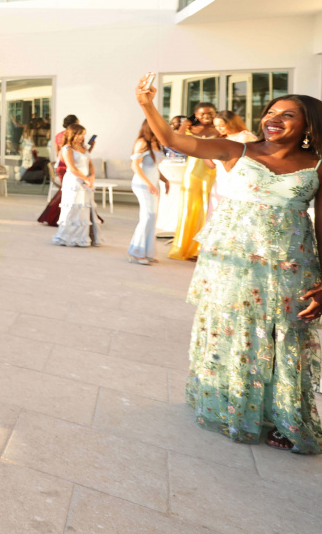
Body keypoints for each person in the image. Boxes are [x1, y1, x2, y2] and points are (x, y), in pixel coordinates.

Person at [136, 74, 322, 453]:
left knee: (283, 336)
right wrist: (146, 104)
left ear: (308, 125)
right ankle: (231, 404)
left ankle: (283, 416)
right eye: (270, 112)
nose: (274, 119)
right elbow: (174, 140)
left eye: (287, 115)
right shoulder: (237, 150)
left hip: (291, 266)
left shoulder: (316, 166)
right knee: (233, 330)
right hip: (232, 266)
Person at [168, 102, 220, 260]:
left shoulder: (219, 129)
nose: (207, 116)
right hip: (193, 172)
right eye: (203, 113)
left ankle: (202, 250)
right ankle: (185, 248)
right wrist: (184, 124)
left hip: (212, 171)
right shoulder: (190, 129)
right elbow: (176, 141)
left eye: (210, 113)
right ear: (196, 115)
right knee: (189, 209)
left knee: (209, 208)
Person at [128, 120, 171, 264]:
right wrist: (148, 183)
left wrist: (165, 180)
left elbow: (154, 167)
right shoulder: (142, 142)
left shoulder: (157, 143)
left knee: (153, 217)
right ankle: (137, 251)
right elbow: (135, 166)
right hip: (143, 184)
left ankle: (147, 252)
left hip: (153, 184)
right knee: (148, 216)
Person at [53, 122, 99, 247]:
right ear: (73, 135)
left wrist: (92, 177)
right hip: (74, 181)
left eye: (84, 134)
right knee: (73, 208)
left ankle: (82, 238)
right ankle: (67, 237)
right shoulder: (67, 149)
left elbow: (90, 164)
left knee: (84, 209)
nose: (83, 137)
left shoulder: (84, 148)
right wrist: (86, 179)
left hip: (86, 181)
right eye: (80, 134)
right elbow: (72, 168)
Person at [38, 114, 79, 226]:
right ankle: (55, 216)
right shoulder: (72, 136)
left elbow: (58, 154)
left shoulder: (58, 136)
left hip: (61, 165)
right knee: (67, 192)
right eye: (77, 123)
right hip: (68, 166)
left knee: (66, 191)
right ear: (74, 124)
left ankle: (61, 216)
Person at [156, 116, 190, 237]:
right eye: (174, 122)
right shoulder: (167, 136)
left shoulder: (187, 135)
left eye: (178, 122)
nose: (174, 124)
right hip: (168, 165)